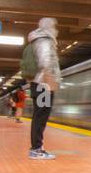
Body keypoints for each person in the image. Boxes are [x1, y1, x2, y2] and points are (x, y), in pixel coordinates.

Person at [21, 17, 61, 159]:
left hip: (39, 84)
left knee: (39, 117)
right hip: (44, 85)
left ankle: (38, 148)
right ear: (48, 27)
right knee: (40, 118)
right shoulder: (45, 41)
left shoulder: (36, 40)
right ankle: (36, 149)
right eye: (54, 27)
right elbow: (45, 63)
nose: (56, 30)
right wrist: (52, 84)